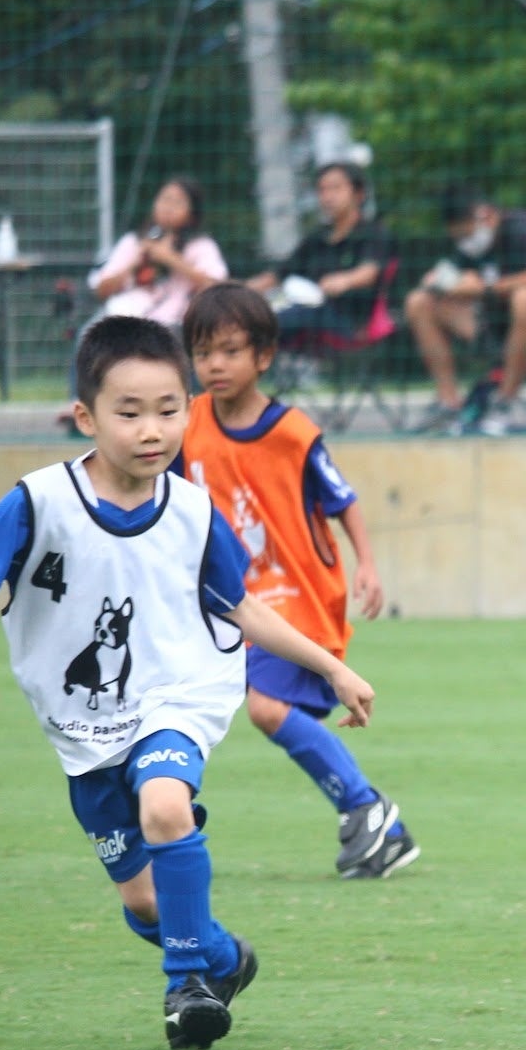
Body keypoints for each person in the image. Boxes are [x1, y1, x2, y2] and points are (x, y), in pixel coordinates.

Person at [0, 317, 375, 1050]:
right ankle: (222, 958)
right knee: (143, 902)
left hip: (179, 697)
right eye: (129, 412)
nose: (152, 430)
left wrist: (332, 666)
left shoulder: (193, 511)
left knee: (166, 805)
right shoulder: (42, 501)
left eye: (169, 410)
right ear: (86, 417)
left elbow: (243, 607)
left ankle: (187, 986)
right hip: (83, 726)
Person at [178, 284, 418, 880]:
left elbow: (343, 500)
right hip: (232, 599)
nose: (215, 365)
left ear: (264, 356)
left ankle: (366, 807)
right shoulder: (187, 422)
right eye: (203, 353)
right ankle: (373, 820)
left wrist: (366, 564)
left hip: (298, 596)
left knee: (266, 708)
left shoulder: (294, 432)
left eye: (230, 351)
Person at [403, 183, 526, 431]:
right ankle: (448, 403)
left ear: (485, 215)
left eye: (466, 236)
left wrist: (484, 287)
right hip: (499, 331)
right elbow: (434, 279)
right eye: (458, 239)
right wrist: (445, 284)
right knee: (419, 302)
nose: (465, 243)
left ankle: (502, 404)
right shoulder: (470, 249)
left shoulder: (521, 227)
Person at [246, 163, 397, 347]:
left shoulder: (373, 232)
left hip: (351, 321)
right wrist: (238, 291)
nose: (327, 197)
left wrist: (344, 281)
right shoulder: (317, 238)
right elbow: (278, 275)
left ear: (359, 194)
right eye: (322, 190)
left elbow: (369, 272)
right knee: (258, 317)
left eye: (336, 188)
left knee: (275, 321)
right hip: (307, 311)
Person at [88, 178, 227, 329]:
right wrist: (135, 263)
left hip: (178, 326)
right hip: (130, 324)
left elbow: (217, 288)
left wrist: (170, 259)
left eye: (178, 202)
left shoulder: (201, 245)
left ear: (192, 214)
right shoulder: (134, 242)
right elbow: (101, 291)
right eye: (165, 199)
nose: (168, 208)